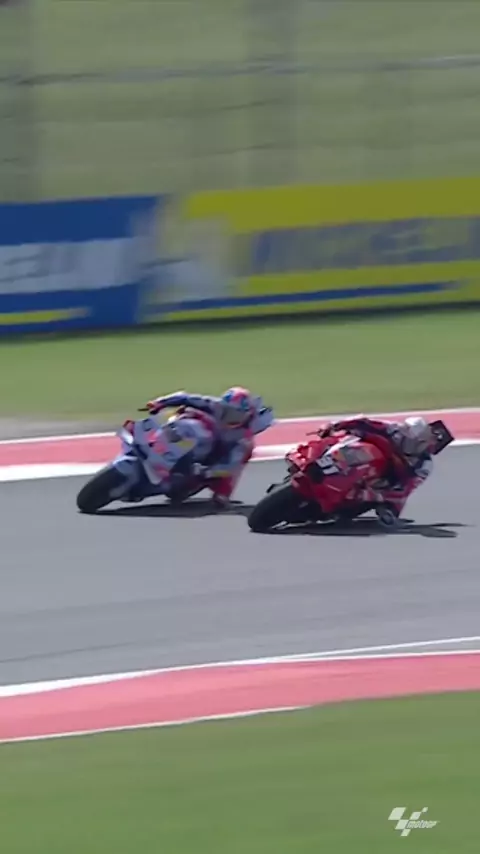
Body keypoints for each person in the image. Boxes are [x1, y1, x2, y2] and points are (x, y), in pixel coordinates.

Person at [144, 386, 275, 507]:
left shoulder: (243, 438)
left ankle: (222, 492)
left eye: (235, 414)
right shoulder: (214, 405)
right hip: (199, 436)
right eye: (226, 410)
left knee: (232, 468)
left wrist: (205, 472)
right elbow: (185, 397)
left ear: (247, 415)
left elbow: (230, 467)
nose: (229, 416)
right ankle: (154, 438)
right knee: (187, 414)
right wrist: (160, 403)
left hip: (215, 456)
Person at [321, 414, 436, 527]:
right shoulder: (393, 429)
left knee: (390, 506)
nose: (414, 445)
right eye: (410, 440)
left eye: (418, 442)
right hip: (362, 450)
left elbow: (407, 489)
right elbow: (363, 421)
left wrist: (379, 498)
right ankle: (321, 459)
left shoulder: (423, 464)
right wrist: (335, 425)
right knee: (335, 440)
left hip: (381, 481)